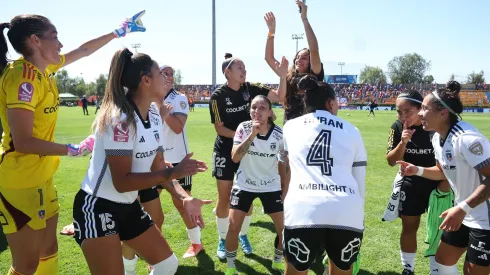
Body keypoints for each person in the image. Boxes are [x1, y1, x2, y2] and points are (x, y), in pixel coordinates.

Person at [0, 11, 146, 274]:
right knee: (26, 263)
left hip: (42, 174)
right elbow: (22, 141)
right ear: (35, 41)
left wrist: (120, 31)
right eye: (54, 36)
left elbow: (85, 50)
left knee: (49, 249)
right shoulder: (23, 78)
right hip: (18, 180)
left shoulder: (45, 68)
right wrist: (73, 149)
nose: (61, 44)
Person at [72, 48, 211, 275]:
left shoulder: (155, 115)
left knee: (167, 264)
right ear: (146, 80)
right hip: (97, 208)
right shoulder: (120, 119)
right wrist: (174, 173)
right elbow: (122, 182)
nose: (166, 79)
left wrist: (185, 198)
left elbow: (158, 165)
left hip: (128, 206)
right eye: (160, 74)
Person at [398, 81, 490, 275]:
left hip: (484, 219)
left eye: (424, 108)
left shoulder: (466, 139)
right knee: (442, 260)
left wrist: (462, 208)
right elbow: (442, 171)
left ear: (442, 113)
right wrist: (418, 170)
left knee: (472, 272)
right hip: (464, 213)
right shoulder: (437, 138)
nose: (420, 113)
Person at [281, 76, 367, 275]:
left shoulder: (290, 127)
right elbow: (359, 179)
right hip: (347, 208)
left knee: (295, 271)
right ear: (330, 103)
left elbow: (287, 168)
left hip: (303, 207)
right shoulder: (352, 130)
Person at [209, 54, 288, 260]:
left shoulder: (251, 88)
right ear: (228, 72)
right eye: (239, 67)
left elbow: (279, 96)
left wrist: (282, 76)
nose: (244, 70)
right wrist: (243, 135)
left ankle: (242, 235)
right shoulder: (217, 96)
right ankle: (222, 238)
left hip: (250, 149)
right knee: (225, 198)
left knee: (247, 196)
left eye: (245, 66)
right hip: (227, 150)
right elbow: (220, 129)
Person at [385, 91, 449, 275]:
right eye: (399, 112)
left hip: (437, 183)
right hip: (411, 184)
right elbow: (390, 161)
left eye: (408, 111)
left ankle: (436, 269)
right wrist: (403, 142)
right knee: (409, 226)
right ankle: (408, 268)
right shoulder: (397, 127)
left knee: (439, 228)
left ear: (420, 109)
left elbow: (448, 162)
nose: (403, 116)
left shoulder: (434, 126)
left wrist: (444, 184)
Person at [225, 95, 287, 275]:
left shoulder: (279, 134)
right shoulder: (243, 128)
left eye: (261, 108)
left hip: (270, 185)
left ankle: (277, 261)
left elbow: (283, 162)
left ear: (269, 112)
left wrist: (284, 186)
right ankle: (230, 268)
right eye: (253, 107)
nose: (257, 112)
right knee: (233, 227)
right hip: (244, 184)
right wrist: (252, 135)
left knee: (284, 229)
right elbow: (235, 157)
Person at [158, 65, 204, 258]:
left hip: (178, 160)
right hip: (156, 160)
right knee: (148, 205)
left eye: (171, 74)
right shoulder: (150, 97)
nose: (169, 76)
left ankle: (196, 243)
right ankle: (156, 252)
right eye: (164, 73)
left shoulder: (179, 98)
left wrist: (163, 111)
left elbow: (178, 128)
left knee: (182, 203)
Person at [264, 0, 324, 123]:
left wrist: (304, 19)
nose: (299, 60)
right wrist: (271, 32)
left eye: (304, 58)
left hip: (310, 127)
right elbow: (269, 58)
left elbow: (314, 50)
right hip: (290, 128)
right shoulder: (287, 75)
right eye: (297, 57)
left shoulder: (314, 75)